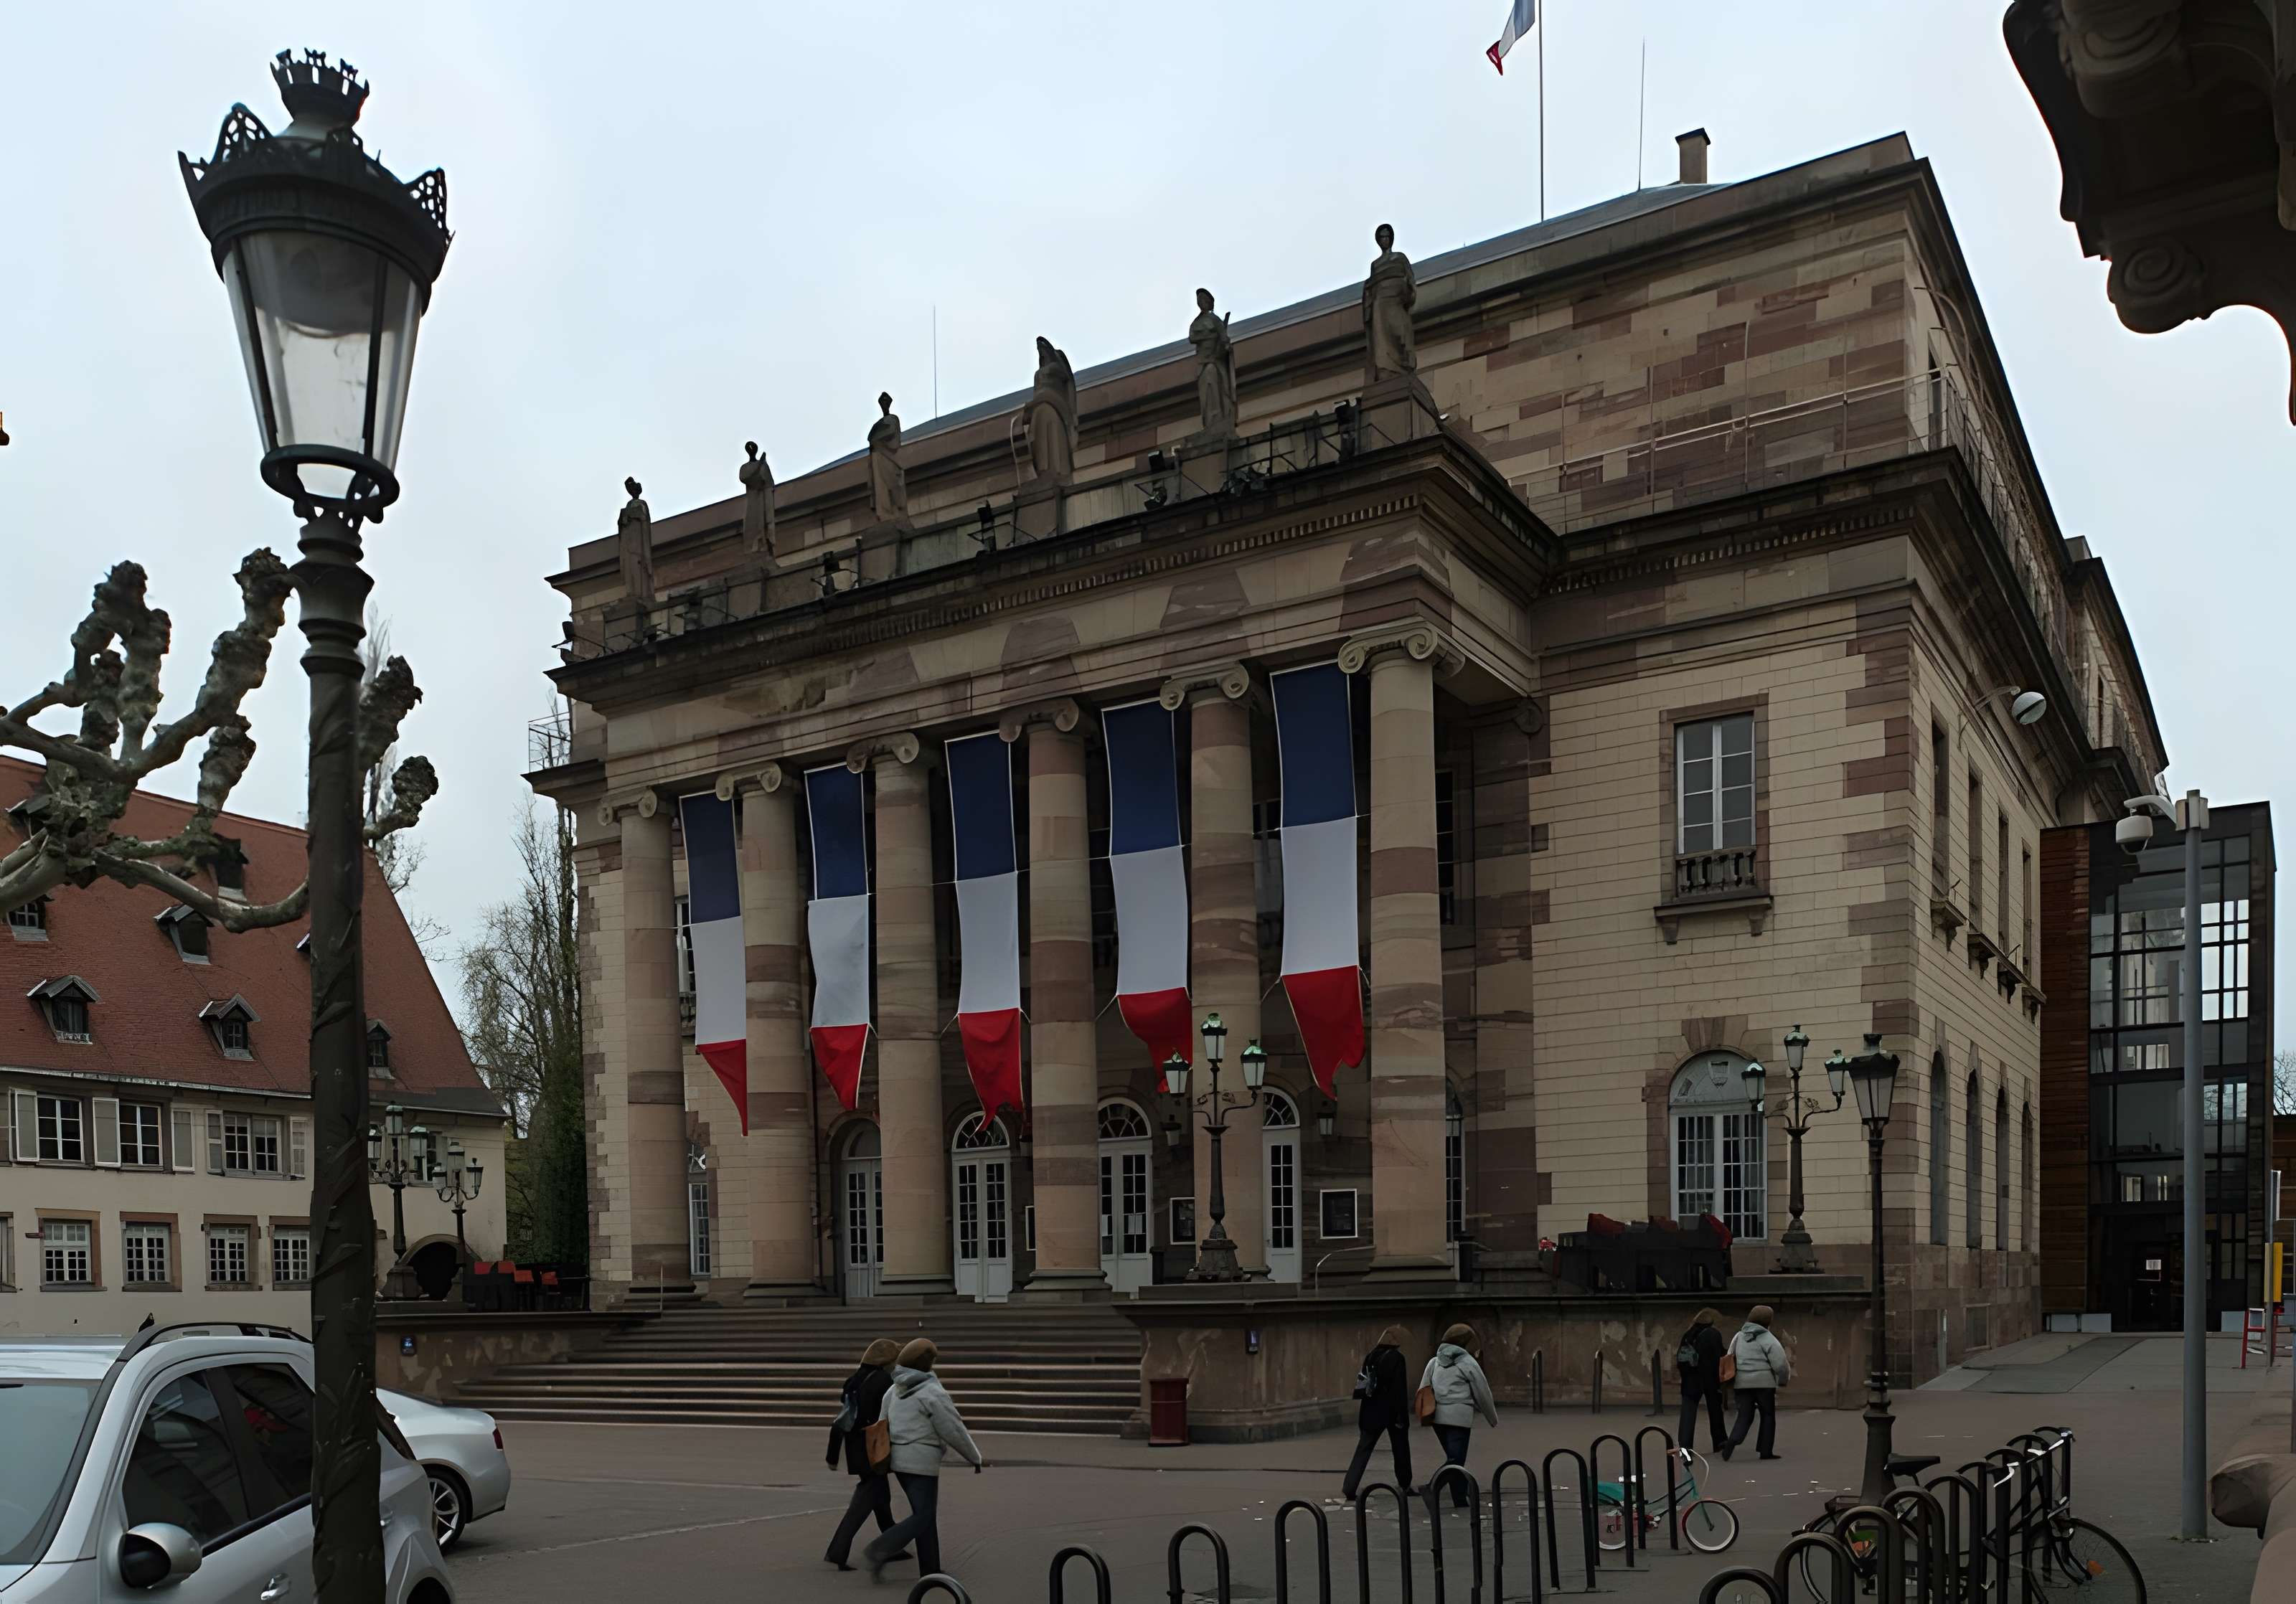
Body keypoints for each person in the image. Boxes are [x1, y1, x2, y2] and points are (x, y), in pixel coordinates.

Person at [865, 1337, 984, 1581]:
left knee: (924, 1514)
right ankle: (882, 1548)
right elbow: (952, 1428)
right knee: (924, 1516)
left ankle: (930, 1569)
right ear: (927, 1363)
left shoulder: (894, 1388)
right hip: (921, 1463)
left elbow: (882, 1421)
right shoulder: (932, 1392)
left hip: (898, 1462)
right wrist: (975, 1457)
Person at [823, 1337, 903, 1571]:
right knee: (863, 1502)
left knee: (881, 1497)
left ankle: (892, 1545)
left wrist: (832, 1455)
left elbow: (843, 1418)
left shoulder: (854, 1380)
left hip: (857, 1447)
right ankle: (838, 1551)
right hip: (874, 1447)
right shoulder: (883, 1381)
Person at [1418, 1322, 1498, 1506]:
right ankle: (1432, 1488)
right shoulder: (1467, 1362)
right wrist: (1491, 1418)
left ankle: (1460, 1498)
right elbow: (1482, 1391)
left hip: (1438, 1419)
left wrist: (1425, 1414)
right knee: (1456, 1460)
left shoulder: (1434, 1362)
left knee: (1454, 1460)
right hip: (1458, 1419)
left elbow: (1424, 1389)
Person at [1341, 1324, 1414, 1501]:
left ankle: (1349, 1487)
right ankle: (1405, 1484)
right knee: (1401, 1448)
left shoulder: (1371, 1356)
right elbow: (1399, 1390)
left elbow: (1363, 1383)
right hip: (1391, 1410)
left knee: (1363, 1449)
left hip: (1371, 1409)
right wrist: (1402, 1416)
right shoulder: (1397, 1358)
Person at [1720, 1304, 1791, 1461]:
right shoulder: (1768, 1339)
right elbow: (1780, 1364)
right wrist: (1783, 1381)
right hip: (1764, 1385)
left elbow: (1730, 1355)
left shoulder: (1738, 1336)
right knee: (1767, 1416)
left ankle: (1732, 1442)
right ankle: (1765, 1451)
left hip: (1742, 1384)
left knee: (1744, 1415)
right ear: (1768, 1321)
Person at [1674, 1308, 1728, 1453]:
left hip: (1690, 1379)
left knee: (1688, 1411)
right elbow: (1719, 1355)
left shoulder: (1688, 1334)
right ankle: (1720, 1442)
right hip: (1708, 1379)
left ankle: (1685, 1445)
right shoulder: (1712, 1334)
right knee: (1715, 1410)